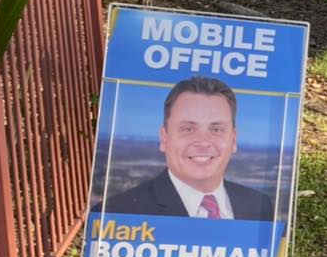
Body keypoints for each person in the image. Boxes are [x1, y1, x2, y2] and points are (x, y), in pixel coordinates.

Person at [100, 76, 275, 220]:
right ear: (164, 138)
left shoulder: (259, 206)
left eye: (216, 129)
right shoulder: (117, 212)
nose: (203, 141)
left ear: (233, 140)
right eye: (188, 129)